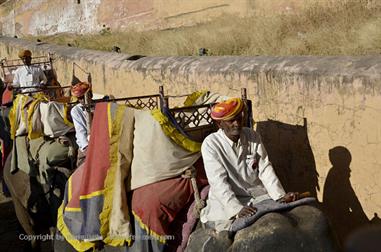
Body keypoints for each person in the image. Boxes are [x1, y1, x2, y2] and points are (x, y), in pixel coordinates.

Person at [200, 98, 299, 231]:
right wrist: (236, 210)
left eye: (239, 119)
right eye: (231, 121)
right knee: (224, 235)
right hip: (227, 203)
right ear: (220, 124)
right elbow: (218, 182)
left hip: (258, 196)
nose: (237, 124)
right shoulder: (210, 144)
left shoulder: (252, 135)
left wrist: (280, 196)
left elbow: (265, 168)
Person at [70, 82, 92, 166]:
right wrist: (86, 147)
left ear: (91, 94)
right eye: (80, 98)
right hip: (86, 146)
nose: (82, 100)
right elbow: (80, 131)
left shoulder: (98, 105)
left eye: (83, 97)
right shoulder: (76, 111)